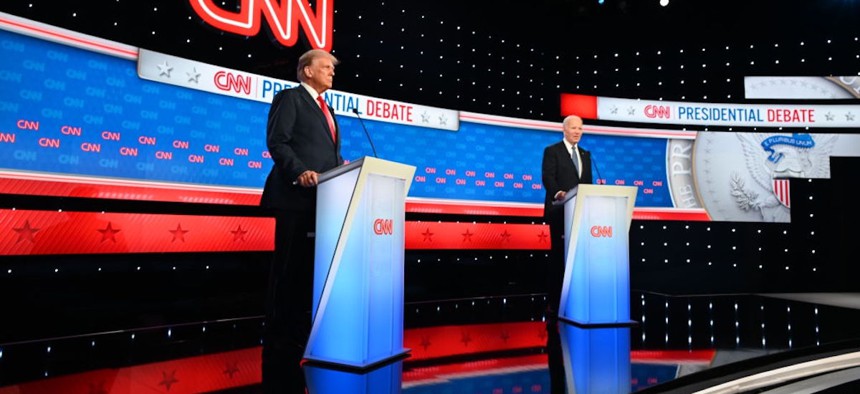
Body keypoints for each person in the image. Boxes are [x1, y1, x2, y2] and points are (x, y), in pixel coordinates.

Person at [260, 48, 344, 394]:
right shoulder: (290, 98)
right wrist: (300, 173)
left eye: (333, 69)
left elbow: (329, 154)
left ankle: (302, 336)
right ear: (307, 70)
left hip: (323, 201)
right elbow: (277, 142)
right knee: (289, 271)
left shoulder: (331, 110)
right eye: (326, 67)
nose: (332, 72)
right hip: (295, 197)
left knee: (309, 272)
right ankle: (279, 341)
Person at [540, 114, 593, 319]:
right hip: (559, 212)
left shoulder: (586, 154)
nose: (578, 131)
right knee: (558, 258)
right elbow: (547, 177)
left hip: (580, 214)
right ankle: (554, 303)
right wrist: (558, 193)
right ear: (565, 130)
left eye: (580, 128)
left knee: (579, 259)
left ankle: (576, 302)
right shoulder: (552, 151)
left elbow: (586, 183)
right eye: (574, 128)